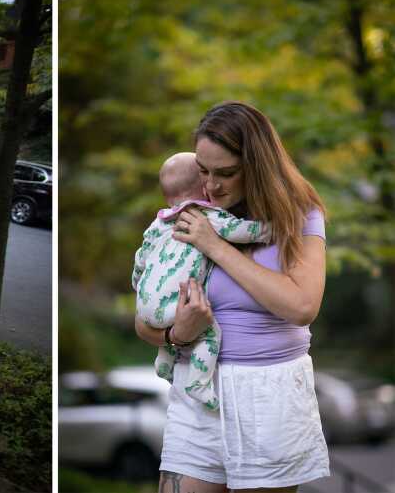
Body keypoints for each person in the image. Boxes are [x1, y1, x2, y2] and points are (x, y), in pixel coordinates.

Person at [135, 101, 329, 493]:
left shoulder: (296, 214)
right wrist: (178, 335)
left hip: (269, 394)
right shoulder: (189, 214)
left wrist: (217, 246)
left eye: (226, 173)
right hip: (197, 387)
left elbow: (303, 306)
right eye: (203, 171)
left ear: (257, 167)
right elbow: (144, 318)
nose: (211, 185)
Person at [132, 151, 270, 411]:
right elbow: (239, 232)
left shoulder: (157, 224)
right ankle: (198, 383)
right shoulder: (204, 214)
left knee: (177, 320)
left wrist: (138, 286)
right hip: (176, 303)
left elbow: (140, 258)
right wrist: (269, 229)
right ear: (203, 189)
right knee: (209, 333)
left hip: (147, 302)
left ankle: (164, 361)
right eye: (206, 175)